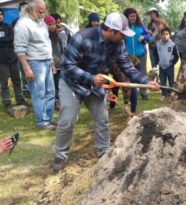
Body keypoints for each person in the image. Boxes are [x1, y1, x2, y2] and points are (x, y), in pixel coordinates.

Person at [52, 12, 160, 172]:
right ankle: (60, 156)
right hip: (72, 83)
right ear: (111, 30)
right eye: (122, 34)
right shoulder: (82, 38)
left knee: (102, 118)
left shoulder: (118, 44)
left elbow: (127, 67)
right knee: (67, 120)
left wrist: (145, 81)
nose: (124, 37)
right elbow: (68, 66)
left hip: (96, 83)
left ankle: (103, 152)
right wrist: (91, 78)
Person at [14, 0, 56, 130]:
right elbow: (19, 49)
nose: (43, 14)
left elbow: (46, 43)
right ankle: (42, 122)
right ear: (31, 9)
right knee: (39, 94)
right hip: (34, 63)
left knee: (50, 92)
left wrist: (52, 62)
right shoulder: (22, 25)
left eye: (44, 10)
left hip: (47, 61)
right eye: (40, 11)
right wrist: (26, 68)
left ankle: (49, 119)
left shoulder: (41, 22)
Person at [0, 8, 28, 115]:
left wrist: (3, 41)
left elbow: (12, 38)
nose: (0, 16)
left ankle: (20, 99)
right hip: (2, 61)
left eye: (1, 14)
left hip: (13, 59)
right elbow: (8, 39)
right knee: (4, 83)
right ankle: (7, 102)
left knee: (17, 80)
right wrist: (6, 40)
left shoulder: (8, 27)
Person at [123, 7, 151, 101]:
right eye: (131, 16)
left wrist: (144, 36)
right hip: (129, 56)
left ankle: (143, 92)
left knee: (142, 73)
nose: (133, 18)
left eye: (134, 16)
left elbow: (149, 36)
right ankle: (132, 94)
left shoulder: (141, 26)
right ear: (127, 17)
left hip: (141, 54)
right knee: (130, 75)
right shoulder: (124, 27)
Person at [153, 27, 179, 101]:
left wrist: (172, 63)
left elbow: (176, 56)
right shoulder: (158, 45)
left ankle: (172, 95)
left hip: (170, 67)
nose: (165, 36)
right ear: (161, 35)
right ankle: (163, 94)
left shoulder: (172, 45)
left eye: (167, 34)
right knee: (162, 81)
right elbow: (154, 54)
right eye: (163, 34)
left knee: (171, 81)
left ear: (169, 35)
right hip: (161, 66)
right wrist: (157, 61)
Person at [44, 15, 64, 111]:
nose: (52, 26)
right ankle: (53, 102)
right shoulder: (44, 37)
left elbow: (62, 50)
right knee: (51, 86)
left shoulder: (58, 36)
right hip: (50, 66)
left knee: (59, 84)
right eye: (49, 24)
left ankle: (59, 101)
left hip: (59, 64)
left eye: (53, 24)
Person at [11, 1, 30, 98]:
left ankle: (32, 88)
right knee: (23, 69)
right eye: (24, 9)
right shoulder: (15, 22)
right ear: (20, 10)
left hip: (32, 51)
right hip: (21, 50)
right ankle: (26, 88)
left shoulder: (33, 21)